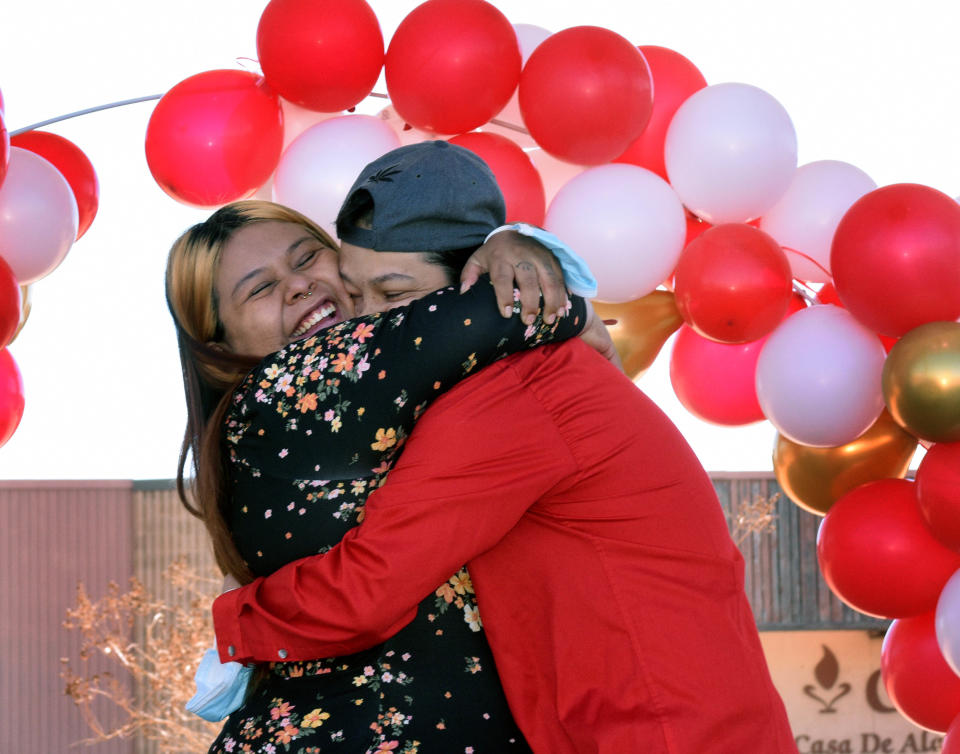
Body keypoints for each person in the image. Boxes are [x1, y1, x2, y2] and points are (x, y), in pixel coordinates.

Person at [210, 142, 799, 753]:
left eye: (394, 296)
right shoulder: (517, 370)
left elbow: (369, 587)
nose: (368, 326)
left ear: (471, 288)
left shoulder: (508, 391)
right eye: (357, 298)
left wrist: (236, 619)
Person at [166, 149, 608, 752]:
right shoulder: (277, 392)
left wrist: (507, 245)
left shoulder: (395, 391)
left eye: (306, 257)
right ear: (219, 345)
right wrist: (527, 265)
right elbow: (511, 313)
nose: (298, 285)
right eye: (262, 289)